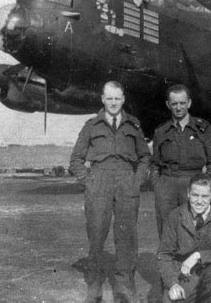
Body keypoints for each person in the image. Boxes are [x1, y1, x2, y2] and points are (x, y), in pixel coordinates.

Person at [69, 81, 151, 302]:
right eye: (109, 98)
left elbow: (144, 157)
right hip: (99, 180)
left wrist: (137, 180)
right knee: (96, 234)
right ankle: (94, 285)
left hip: (126, 179)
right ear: (102, 99)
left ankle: (124, 285)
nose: (114, 103)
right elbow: (76, 159)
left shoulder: (133, 125)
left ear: (123, 100)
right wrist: (88, 181)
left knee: (126, 236)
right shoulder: (91, 126)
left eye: (118, 98)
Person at [150, 84, 211, 239]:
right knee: (167, 230)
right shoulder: (161, 131)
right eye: (174, 103)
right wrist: (158, 185)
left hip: (193, 183)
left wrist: (206, 187)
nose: (178, 107)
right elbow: (155, 163)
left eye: (182, 103)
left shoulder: (202, 128)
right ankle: (168, 262)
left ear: (189, 103)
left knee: (194, 229)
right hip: (167, 186)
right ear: (168, 105)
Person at [157, 173, 211, 303]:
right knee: (169, 300)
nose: (199, 201)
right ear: (188, 193)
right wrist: (172, 284)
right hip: (184, 276)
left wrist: (199, 255)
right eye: (195, 195)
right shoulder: (175, 216)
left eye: (205, 196)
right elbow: (164, 255)